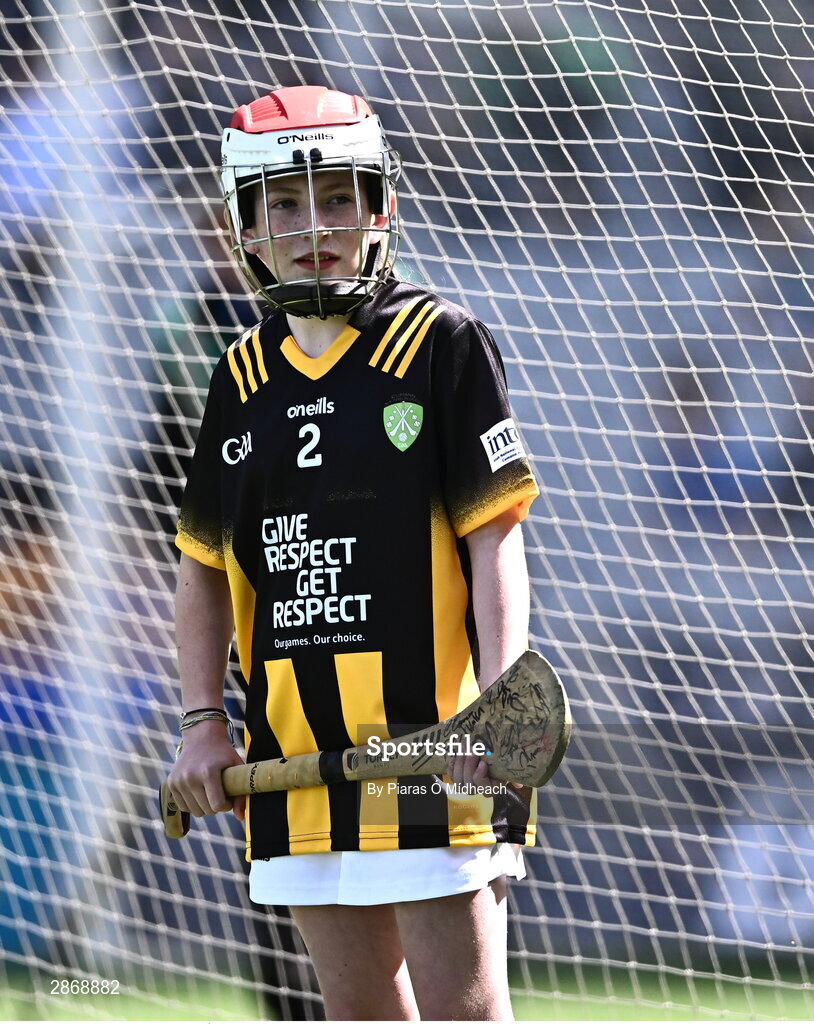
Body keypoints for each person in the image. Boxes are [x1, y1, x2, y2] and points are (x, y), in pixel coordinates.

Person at [167, 84, 540, 1021]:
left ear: (380, 206)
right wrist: (203, 722)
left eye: (337, 197)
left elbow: (495, 539)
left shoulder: (441, 344)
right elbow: (204, 565)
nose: (314, 226)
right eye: (284, 203)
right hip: (293, 763)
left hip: (435, 753)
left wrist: (501, 702)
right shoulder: (238, 375)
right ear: (245, 225)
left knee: (465, 1012)